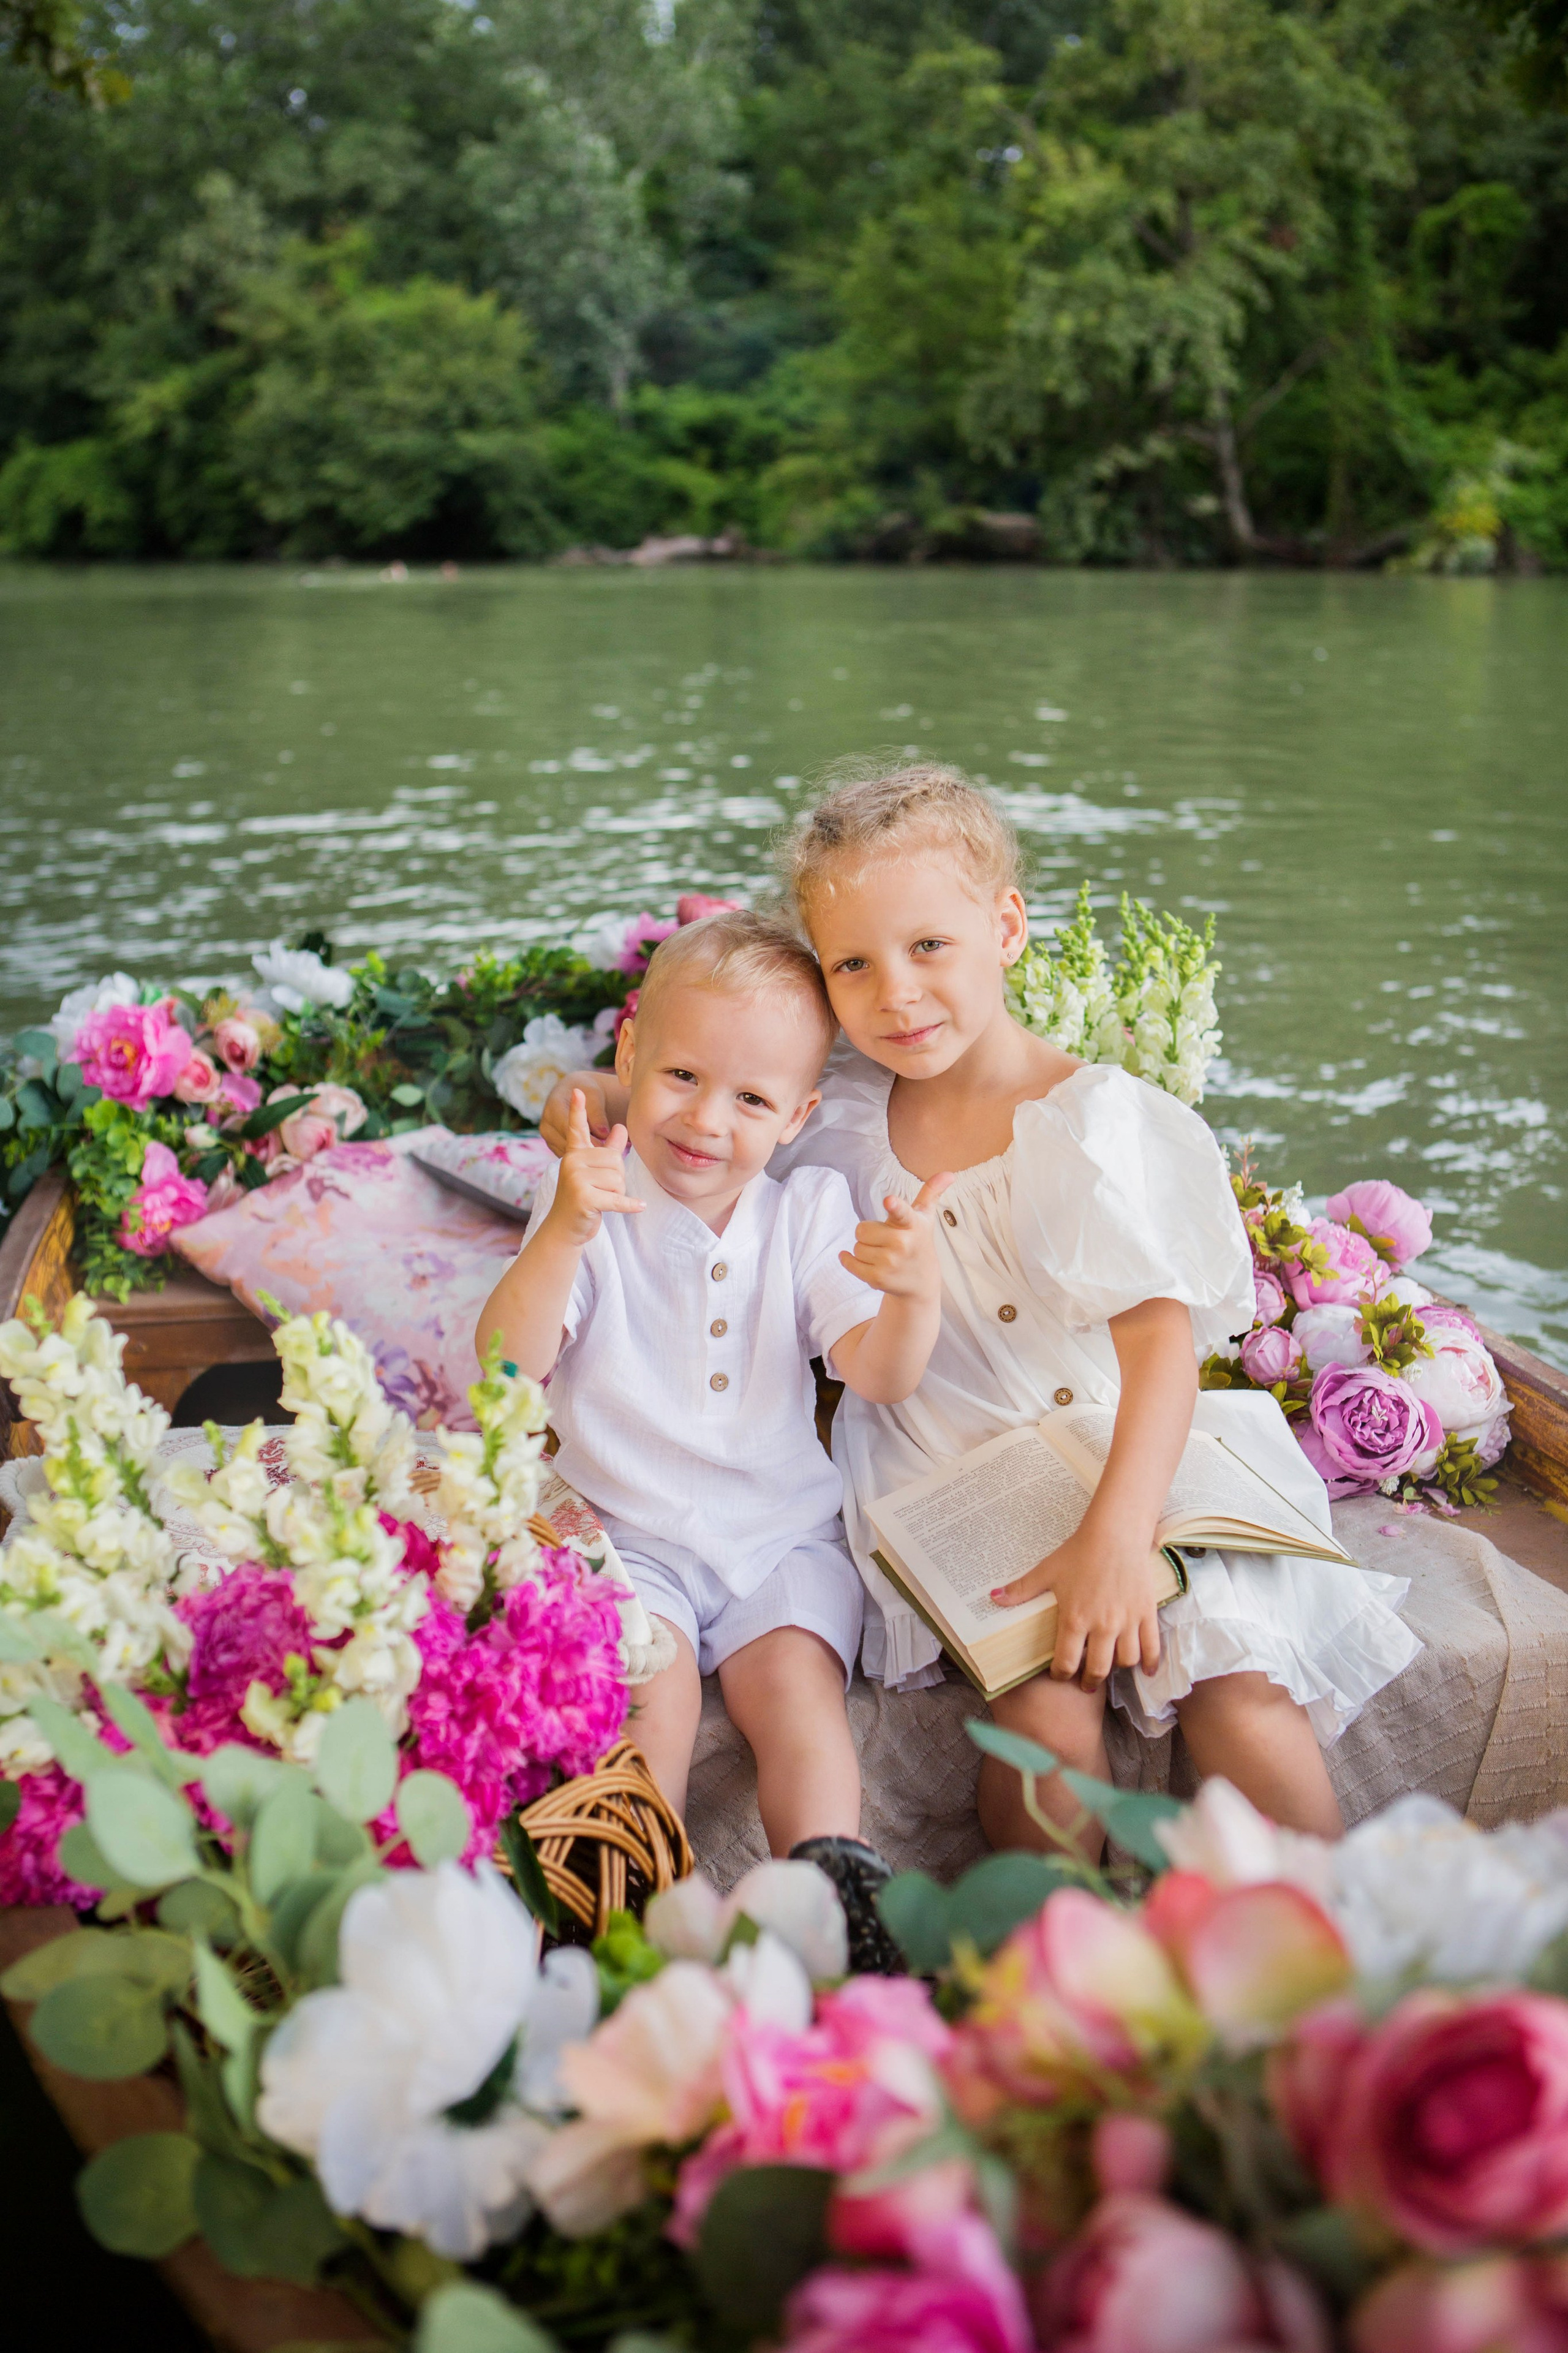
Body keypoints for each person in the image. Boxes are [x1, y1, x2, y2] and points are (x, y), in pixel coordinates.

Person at [543, 768, 1422, 1858]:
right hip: (957, 1477)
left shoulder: (1093, 1119)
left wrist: (1115, 1533)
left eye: (928, 948)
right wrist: (588, 1103)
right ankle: (1052, 1979)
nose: (896, 994)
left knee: (1236, 1680)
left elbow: (1160, 1357)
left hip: (1123, 1460)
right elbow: (667, 1092)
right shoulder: (840, 1117)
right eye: (853, 965)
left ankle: (1334, 1938)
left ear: (1005, 927)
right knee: (1045, 1719)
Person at [478, 906, 949, 1925]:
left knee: (795, 1695)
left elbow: (879, 1373)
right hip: (623, 1532)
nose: (705, 1120)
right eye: (683, 1076)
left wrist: (912, 1296)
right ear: (633, 1050)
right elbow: (506, 1367)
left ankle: (836, 1901)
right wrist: (564, 1227)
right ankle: (627, 1910)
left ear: (795, 1115)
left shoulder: (809, 1209)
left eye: (751, 1098)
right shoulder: (591, 1201)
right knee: (652, 1701)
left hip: (776, 1534)